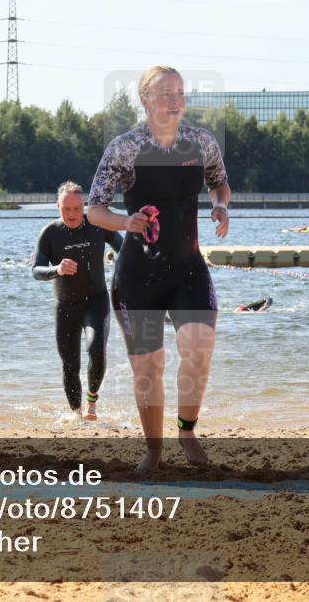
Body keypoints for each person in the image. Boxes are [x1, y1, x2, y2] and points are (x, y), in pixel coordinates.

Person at [87, 65, 230, 474]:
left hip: (188, 268)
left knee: (199, 350)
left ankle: (187, 430)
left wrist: (221, 206)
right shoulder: (125, 148)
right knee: (149, 367)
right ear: (145, 99)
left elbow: (220, 182)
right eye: (165, 93)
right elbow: (95, 209)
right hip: (138, 275)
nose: (174, 100)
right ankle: (154, 449)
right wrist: (124, 222)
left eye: (180, 92)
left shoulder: (201, 143)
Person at [33, 182, 124, 420]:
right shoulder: (50, 233)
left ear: (84, 205)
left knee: (96, 349)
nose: (72, 214)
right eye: (66, 209)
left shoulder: (97, 224)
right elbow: (36, 270)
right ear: (58, 206)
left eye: (76, 208)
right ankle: (77, 415)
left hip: (96, 301)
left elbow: (122, 247)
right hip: (65, 307)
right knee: (69, 365)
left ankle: (92, 400)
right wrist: (57, 269)